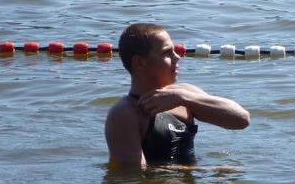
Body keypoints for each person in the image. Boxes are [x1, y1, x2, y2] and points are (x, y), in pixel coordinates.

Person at [105, 23, 250, 167]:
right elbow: (133, 175)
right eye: (167, 53)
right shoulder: (125, 114)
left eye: (174, 51)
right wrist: (199, 172)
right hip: (167, 182)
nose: (177, 57)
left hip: (186, 179)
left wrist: (182, 98)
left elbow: (242, 120)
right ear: (140, 63)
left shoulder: (184, 95)